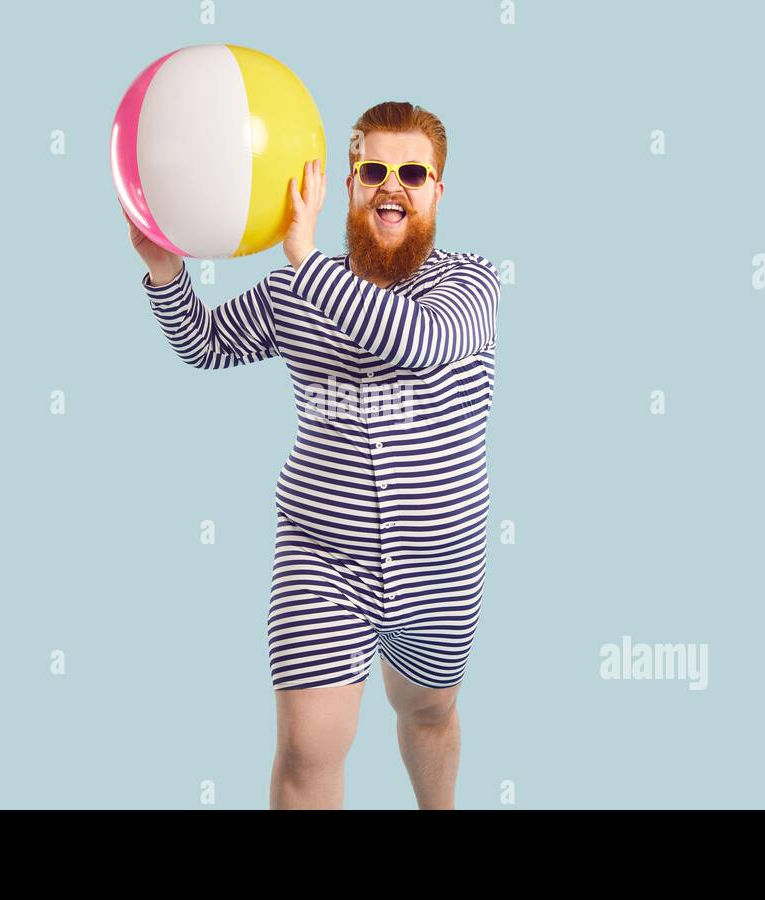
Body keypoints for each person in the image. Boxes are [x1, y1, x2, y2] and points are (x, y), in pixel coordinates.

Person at [126, 101, 500, 809]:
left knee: (427, 712)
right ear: (349, 182)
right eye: (375, 169)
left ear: (437, 191)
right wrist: (167, 276)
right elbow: (206, 345)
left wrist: (304, 260)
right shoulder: (295, 288)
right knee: (305, 750)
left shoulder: (469, 283)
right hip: (323, 559)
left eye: (413, 172)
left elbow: (414, 344)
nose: (394, 185)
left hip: (441, 566)